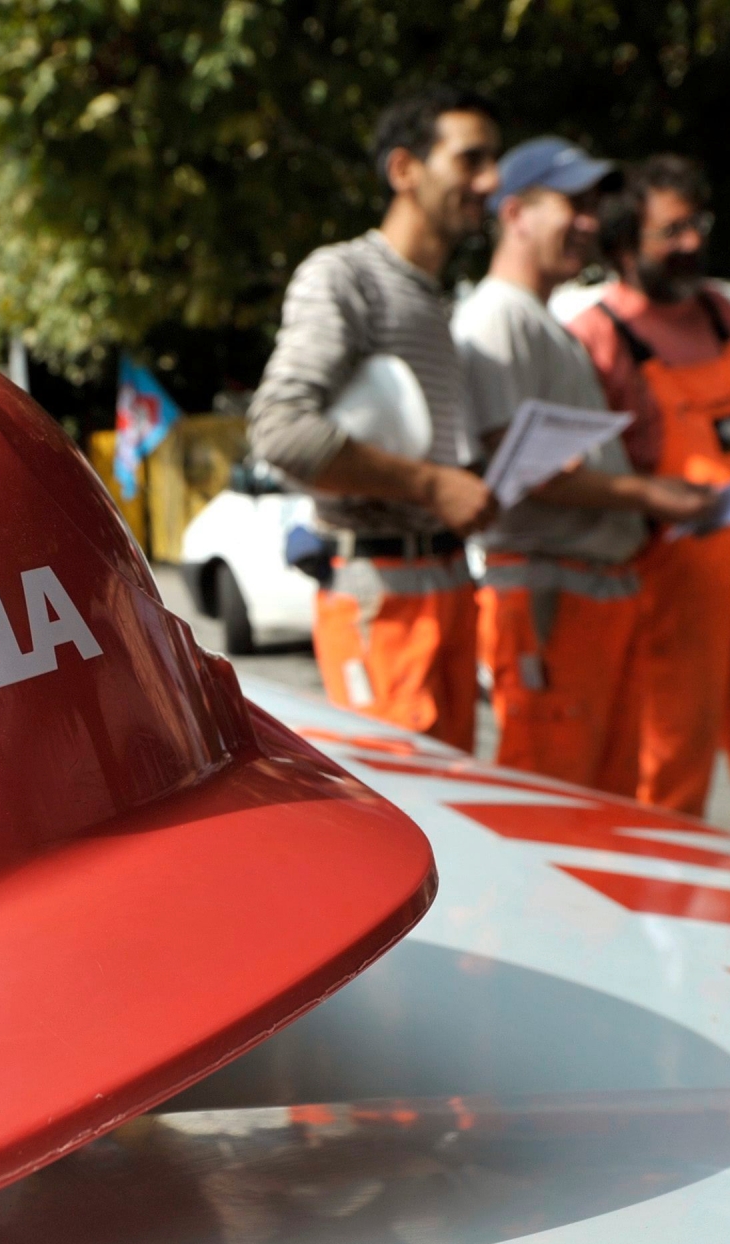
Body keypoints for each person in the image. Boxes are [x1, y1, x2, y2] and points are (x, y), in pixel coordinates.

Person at [566, 155, 730, 854]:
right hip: (670, 582)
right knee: (668, 759)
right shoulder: (596, 336)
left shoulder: (722, 314)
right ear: (625, 245)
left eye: (695, 225)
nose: (690, 243)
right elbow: (581, 474)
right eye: (670, 231)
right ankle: (660, 906)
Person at [452, 138, 714, 793]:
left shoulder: (545, 323)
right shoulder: (496, 318)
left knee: (596, 805)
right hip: (551, 598)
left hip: (587, 599)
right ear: (514, 214)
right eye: (573, 203)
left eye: (594, 205)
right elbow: (523, 472)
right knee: (551, 804)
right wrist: (652, 495)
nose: (592, 222)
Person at [248, 87, 499, 751]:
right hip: (383, 603)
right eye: (470, 159)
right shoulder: (345, 276)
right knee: (418, 824)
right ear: (404, 170)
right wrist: (435, 487)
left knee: (456, 824)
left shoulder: (431, 300)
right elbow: (280, 430)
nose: (491, 181)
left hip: (442, 591)